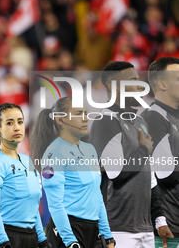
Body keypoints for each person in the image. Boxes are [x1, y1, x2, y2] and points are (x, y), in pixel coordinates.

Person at [89, 61, 173, 248]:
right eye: (132, 80)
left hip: (144, 227)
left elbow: (149, 176)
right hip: (117, 227)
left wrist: (159, 220)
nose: (140, 85)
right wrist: (144, 150)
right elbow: (115, 173)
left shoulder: (140, 120)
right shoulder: (106, 120)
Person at [30, 97, 115, 248]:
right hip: (68, 231)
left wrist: (107, 235)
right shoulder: (54, 154)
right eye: (77, 114)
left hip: (93, 230)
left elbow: (97, 196)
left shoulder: (90, 150)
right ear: (60, 120)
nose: (85, 118)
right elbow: (55, 204)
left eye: (85, 113)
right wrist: (70, 241)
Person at [0, 103, 52, 248]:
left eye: (20, 121)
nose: (17, 127)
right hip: (7, 238)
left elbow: (33, 207)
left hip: (30, 238)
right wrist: (2, 242)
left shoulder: (27, 161)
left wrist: (42, 239)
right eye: (9, 123)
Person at [141, 57, 179, 246]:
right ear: (162, 84)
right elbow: (166, 173)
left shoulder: (174, 116)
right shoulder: (153, 117)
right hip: (168, 225)